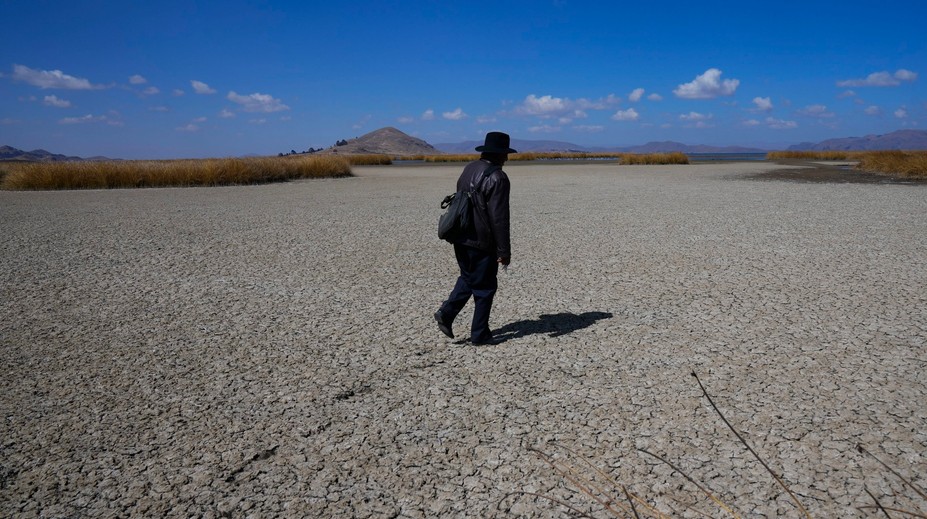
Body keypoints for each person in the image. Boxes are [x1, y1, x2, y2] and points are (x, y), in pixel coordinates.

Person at [435, 131, 515, 344]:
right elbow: (499, 219)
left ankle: (447, 313)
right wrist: (504, 252)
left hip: (460, 235)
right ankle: (480, 334)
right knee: (485, 287)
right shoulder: (498, 177)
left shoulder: (470, 168)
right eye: (505, 154)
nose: (506, 158)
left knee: (469, 277)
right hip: (482, 241)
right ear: (499, 154)